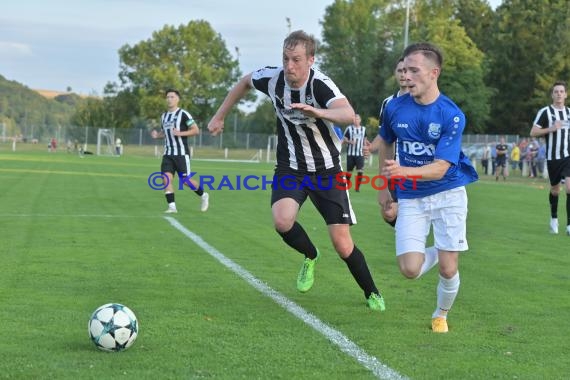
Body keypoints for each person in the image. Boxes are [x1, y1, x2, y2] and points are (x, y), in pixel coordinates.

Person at [207, 30, 385, 311]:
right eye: (286, 58)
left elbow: (348, 114)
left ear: (311, 60)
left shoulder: (320, 85)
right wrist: (219, 115)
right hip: (291, 168)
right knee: (282, 221)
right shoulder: (273, 79)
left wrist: (320, 113)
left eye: (297, 60)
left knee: (342, 244)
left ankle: (372, 292)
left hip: (327, 171)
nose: (290, 66)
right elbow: (243, 82)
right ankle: (310, 256)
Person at [377, 42, 478, 333]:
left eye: (413, 70)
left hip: (448, 193)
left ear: (433, 73)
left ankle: (440, 314)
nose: (405, 76)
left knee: (448, 268)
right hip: (411, 197)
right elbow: (385, 142)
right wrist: (384, 187)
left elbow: (442, 167)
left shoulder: (451, 114)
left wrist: (403, 171)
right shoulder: (394, 108)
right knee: (410, 269)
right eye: (404, 69)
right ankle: (444, 249)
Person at [151, 89, 209, 214]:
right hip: (168, 154)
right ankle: (172, 207)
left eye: (172, 97)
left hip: (181, 154)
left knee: (186, 181)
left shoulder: (184, 114)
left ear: (177, 99)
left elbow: (195, 130)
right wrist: (157, 135)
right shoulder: (164, 116)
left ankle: (204, 195)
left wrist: (180, 133)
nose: (169, 99)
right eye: (167, 97)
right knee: (166, 179)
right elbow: (165, 133)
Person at [369, 57, 409, 225]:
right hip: (394, 169)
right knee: (389, 213)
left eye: (407, 70)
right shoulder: (388, 103)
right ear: (395, 73)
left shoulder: (424, 101)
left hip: (416, 170)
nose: (403, 75)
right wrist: (371, 147)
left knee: (408, 217)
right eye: (400, 70)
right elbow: (385, 137)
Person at [530, 81, 570, 235]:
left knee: (569, 187)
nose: (559, 94)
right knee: (555, 190)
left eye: (561, 91)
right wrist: (551, 129)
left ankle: (569, 225)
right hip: (553, 158)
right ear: (552, 95)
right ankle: (554, 218)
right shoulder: (545, 112)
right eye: (556, 91)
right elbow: (533, 132)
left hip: (568, 155)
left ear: (566, 94)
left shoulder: (569, 113)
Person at [343, 114, 367, 192]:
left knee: (360, 171)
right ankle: (346, 185)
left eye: (357, 119)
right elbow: (344, 138)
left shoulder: (363, 129)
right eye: (355, 119)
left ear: (360, 120)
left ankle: (357, 188)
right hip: (350, 154)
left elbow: (365, 140)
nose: (356, 120)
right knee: (349, 172)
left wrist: (365, 148)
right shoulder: (349, 128)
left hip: (360, 154)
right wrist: (350, 141)